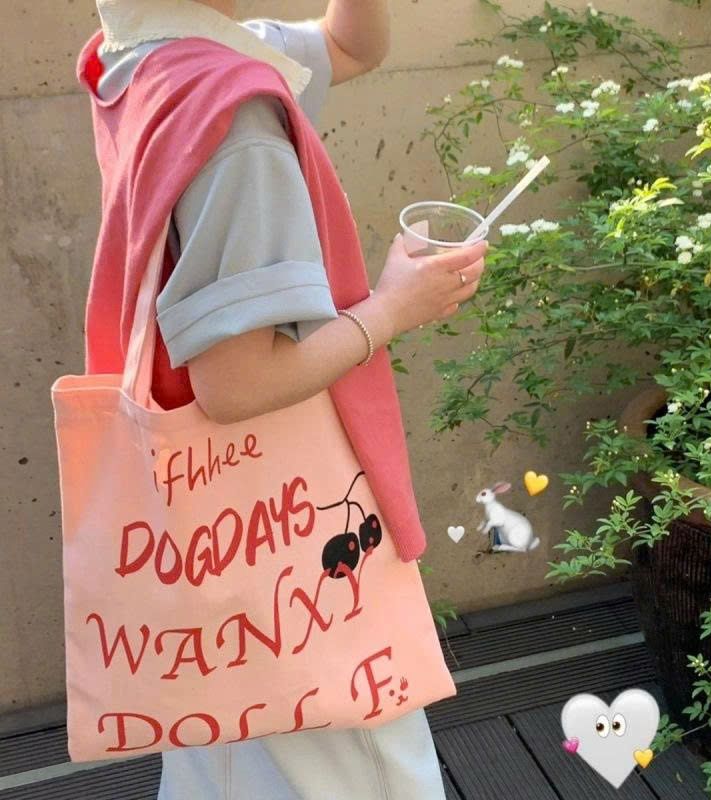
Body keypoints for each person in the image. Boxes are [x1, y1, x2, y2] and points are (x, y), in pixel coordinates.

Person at [83, 0, 488, 797]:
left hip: (198, 531)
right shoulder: (237, 125)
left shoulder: (134, 52)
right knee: (368, 768)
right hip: (290, 542)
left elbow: (351, 45)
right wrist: (394, 308)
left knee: (220, 754)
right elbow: (237, 384)